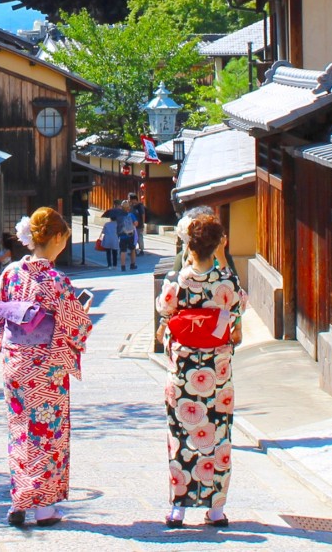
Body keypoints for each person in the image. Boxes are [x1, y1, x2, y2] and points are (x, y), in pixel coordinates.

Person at [0, 208, 93, 528]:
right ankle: (44, 508)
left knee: (21, 431)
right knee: (46, 433)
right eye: (64, 240)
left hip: (15, 360)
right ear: (56, 238)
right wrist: (82, 314)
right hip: (45, 366)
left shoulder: (10, 273)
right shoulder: (56, 280)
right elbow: (76, 327)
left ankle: (18, 501)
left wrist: (19, 312)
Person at [158, 215, 245, 528]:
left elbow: (164, 310)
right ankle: (216, 508)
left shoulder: (176, 281)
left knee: (181, 435)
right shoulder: (227, 282)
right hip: (217, 372)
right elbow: (239, 308)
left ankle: (178, 508)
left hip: (183, 370)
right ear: (218, 244)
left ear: (187, 245)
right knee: (218, 434)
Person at [116, 204, 138, 270]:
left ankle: (123, 266)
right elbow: (136, 223)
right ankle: (132, 264)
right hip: (131, 235)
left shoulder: (119, 216)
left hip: (122, 235)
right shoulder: (131, 215)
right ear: (128, 208)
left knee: (123, 251)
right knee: (132, 249)